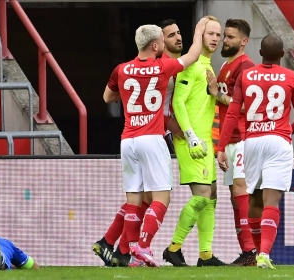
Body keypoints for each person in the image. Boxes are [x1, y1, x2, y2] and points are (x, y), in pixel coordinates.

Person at [102, 18, 208, 267]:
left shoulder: (122, 69)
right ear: (154, 45)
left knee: (133, 200)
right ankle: (144, 246)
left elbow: (107, 97)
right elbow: (192, 56)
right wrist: (199, 30)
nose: (164, 44)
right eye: (161, 40)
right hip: (152, 137)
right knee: (162, 198)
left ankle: (129, 255)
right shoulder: (163, 67)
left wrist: (131, 92)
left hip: (127, 140)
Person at [217, 34, 294, 269]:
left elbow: (233, 112)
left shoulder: (247, 75)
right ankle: (264, 255)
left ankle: (259, 253)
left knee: (254, 198)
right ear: (281, 55)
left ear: (260, 54)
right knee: (272, 199)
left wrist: (220, 147)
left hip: (252, 141)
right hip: (278, 141)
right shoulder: (290, 76)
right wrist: (288, 131)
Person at [163, 15, 227, 267]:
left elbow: (209, 101)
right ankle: (173, 248)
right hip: (192, 141)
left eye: (218, 34)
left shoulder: (208, 67)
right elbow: (178, 101)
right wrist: (190, 137)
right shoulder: (191, 66)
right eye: (210, 33)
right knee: (201, 196)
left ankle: (205, 255)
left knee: (211, 196)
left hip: (205, 141)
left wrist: (219, 95)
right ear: (200, 36)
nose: (215, 38)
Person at [206, 18, 256, 266]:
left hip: (243, 137)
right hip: (230, 139)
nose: (225, 40)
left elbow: (246, 105)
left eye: (231, 37)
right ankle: (247, 252)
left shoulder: (246, 66)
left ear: (244, 41)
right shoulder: (227, 65)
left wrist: (217, 94)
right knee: (235, 197)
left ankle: (252, 252)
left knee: (240, 192)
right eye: (225, 36)